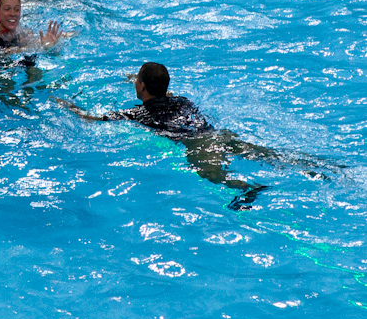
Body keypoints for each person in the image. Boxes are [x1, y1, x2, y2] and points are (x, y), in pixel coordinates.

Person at [62, 62, 270, 210]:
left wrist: (67, 106)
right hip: (216, 133)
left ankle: (248, 188)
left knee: (213, 175)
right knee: (266, 155)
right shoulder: (182, 100)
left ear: (142, 86)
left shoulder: (138, 114)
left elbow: (93, 118)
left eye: (137, 79)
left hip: (197, 144)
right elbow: (165, 95)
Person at [0, 0, 64, 48]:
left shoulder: (24, 35)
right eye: (7, 9)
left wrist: (47, 46)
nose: (13, 13)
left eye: (17, 10)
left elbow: (36, 46)